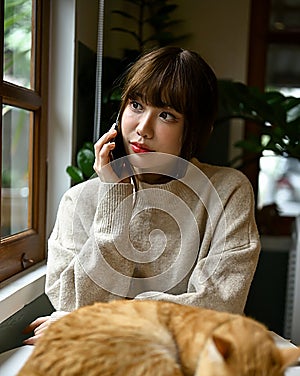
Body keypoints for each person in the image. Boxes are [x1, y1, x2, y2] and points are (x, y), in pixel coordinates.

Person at [24, 46, 260, 344]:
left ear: (196, 129)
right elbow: (70, 303)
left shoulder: (228, 191)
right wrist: (116, 196)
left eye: (166, 115)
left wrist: (109, 319)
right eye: (136, 105)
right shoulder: (79, 199)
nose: (142, 129)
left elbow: (220, 306)